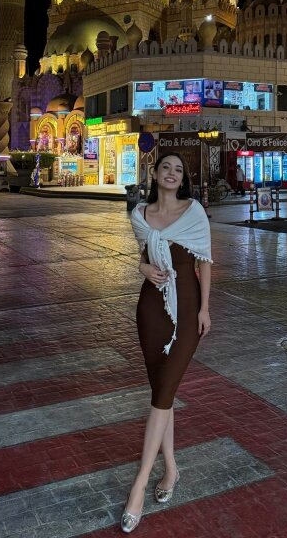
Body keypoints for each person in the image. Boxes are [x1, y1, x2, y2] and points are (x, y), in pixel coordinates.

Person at [122, 152, 212, 533]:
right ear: (155, 174)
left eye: (178, 170)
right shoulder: (140, 215)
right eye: (166, 168)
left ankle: (140, 484)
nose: (172, 174)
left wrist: (205, 308)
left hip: (187, 311)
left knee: (162, 395)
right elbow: (144, 256)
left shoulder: (194, 213)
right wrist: (143, 267)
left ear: (183, 179)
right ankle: (171, 469)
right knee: (164, 392)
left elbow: (204, 262)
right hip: (151, 310)